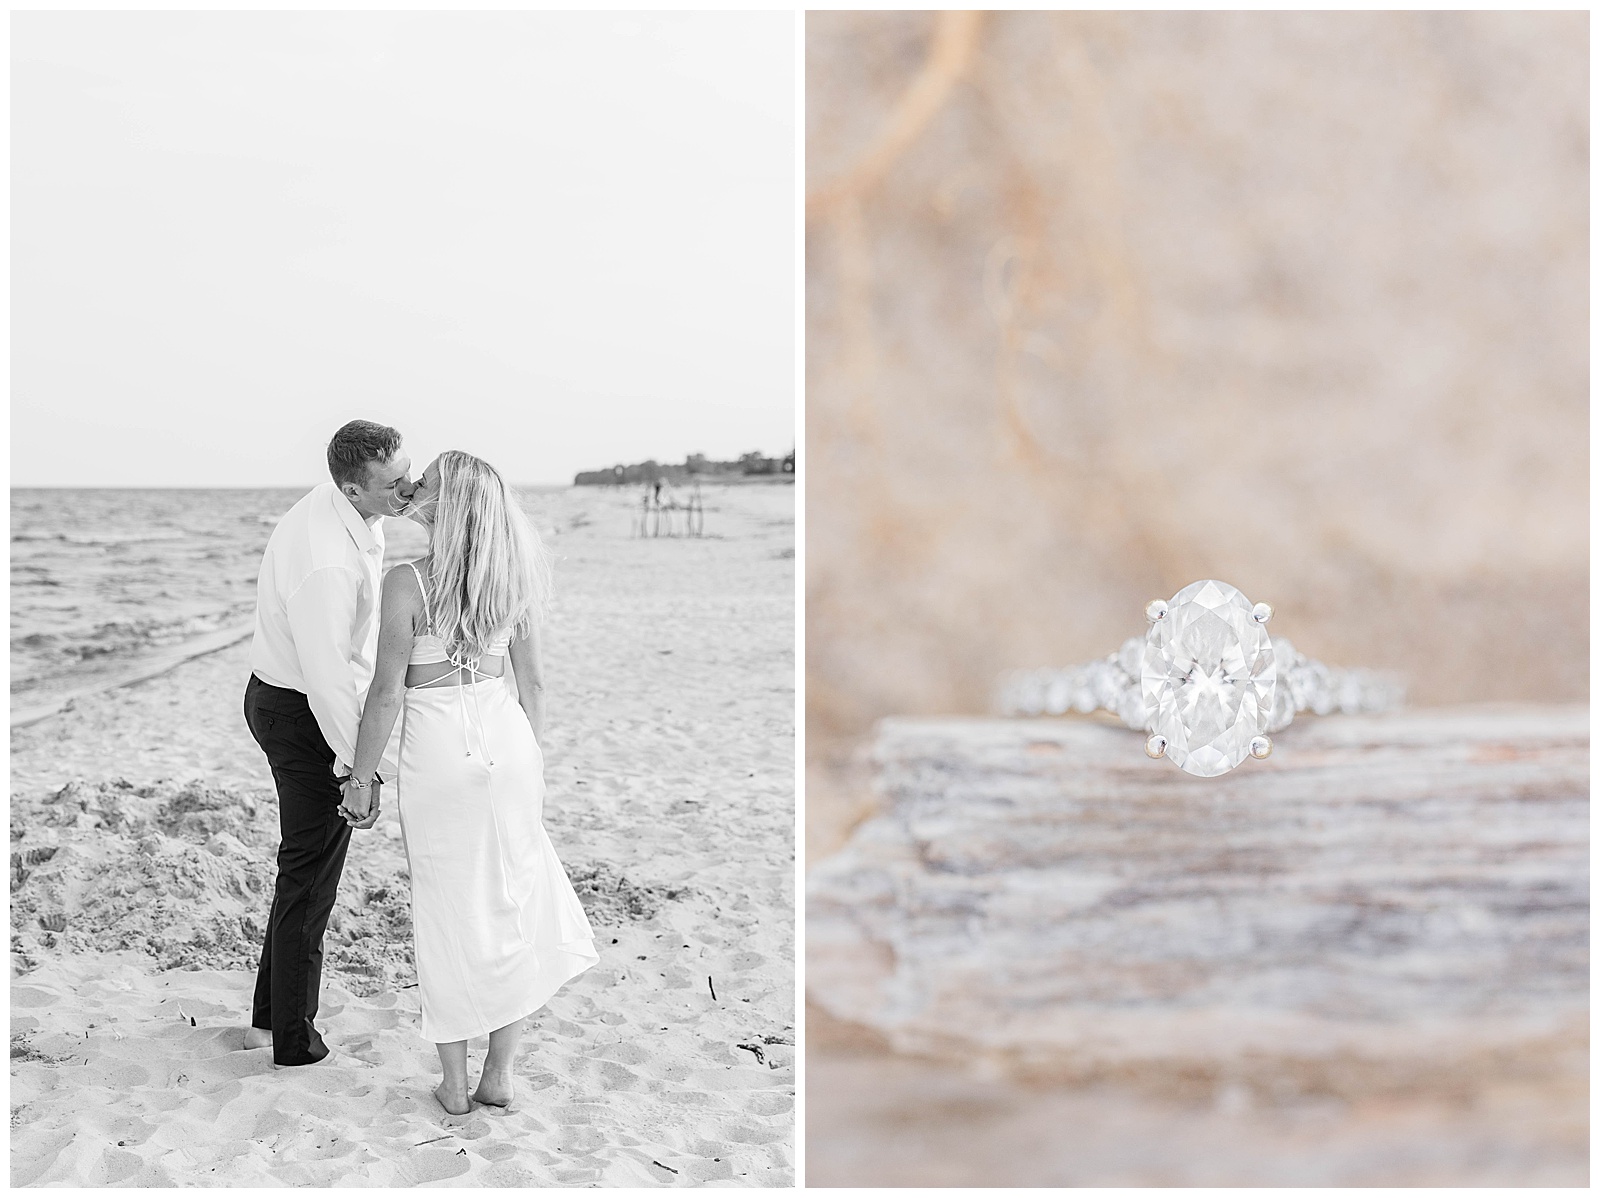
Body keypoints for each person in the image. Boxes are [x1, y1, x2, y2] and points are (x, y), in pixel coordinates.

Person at [340, 450, 598, 1113]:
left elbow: (388, 696)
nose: (411, 489)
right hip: (507, 741)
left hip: (438, 751)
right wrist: (529, 763)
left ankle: (454, 1085)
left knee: (446, 912)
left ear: (446, 505)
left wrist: (361, 779)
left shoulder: (407, 582)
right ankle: (499, 1075)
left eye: (423, 484)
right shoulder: (513, 578)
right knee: (511, 903)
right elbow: (534, 683)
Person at [241, 420, 414, 1066]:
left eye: (406, 473)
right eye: (394, 483)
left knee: (299, 870)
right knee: (310, 879)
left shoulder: (347, 509)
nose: (407, 487)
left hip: (293, 697)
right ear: (353, 486)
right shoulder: (325, 562)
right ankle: (293, 1037)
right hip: (299, 710)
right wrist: (358, 769)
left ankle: (269, 1011)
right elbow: (326, 681)